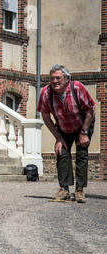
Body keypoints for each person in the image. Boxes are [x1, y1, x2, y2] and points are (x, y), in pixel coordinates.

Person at [38, 64, 96, 203]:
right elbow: (45, 116)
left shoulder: (77, 88)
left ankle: (79, 190)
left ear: (66, 79)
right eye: (52, 78)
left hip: (83, 124)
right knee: (62, 152)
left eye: (58, 78)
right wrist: (58, 137)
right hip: (63, 126)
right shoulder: (46, 93)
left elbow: (91, 110)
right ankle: (64, 190)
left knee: (82, 153)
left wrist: (84, 132)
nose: (55, 81)